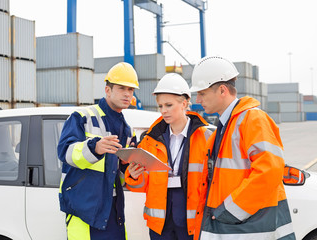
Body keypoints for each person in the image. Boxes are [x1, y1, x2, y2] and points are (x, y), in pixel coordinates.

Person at [190, 56, 296, 240]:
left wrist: (230, 210)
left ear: (222, 90)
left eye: (202, 93)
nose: (198, 99)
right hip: (234, 227)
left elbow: (269, 171)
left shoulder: (253, 120)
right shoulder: (223, 128)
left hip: (250, 228)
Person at [57, 62, 139, 240]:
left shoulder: (128, 130)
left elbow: (118, 174)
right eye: (121, 88)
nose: (127, 94)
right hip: (83, 210)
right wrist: (94, 148)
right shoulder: (82, 117)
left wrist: (129, 171)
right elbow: (65, 152)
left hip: (113, 211)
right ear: (107, 90)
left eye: (131, 90)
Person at [125, 73, 212, 240]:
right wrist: (134, 176)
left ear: (185, 103)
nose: (163, 111)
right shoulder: (149, 140)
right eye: (160, 106)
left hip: (192, 223)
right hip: (160, 225)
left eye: (169, 105)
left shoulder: (207, 138)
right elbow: (140, 186)